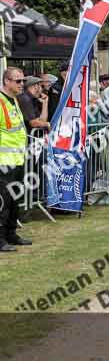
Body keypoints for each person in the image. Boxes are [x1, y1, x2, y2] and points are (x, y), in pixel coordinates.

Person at [0, 67, 31, 252]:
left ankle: (11, 233)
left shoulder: (14, 100)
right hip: (4, 161)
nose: (22, 84)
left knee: (14, 200)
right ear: (7, 81)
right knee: (4, 200)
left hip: (17, 158)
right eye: (18, 81)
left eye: (23, 80)